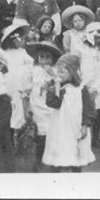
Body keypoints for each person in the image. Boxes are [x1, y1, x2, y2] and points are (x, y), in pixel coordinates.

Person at [43, 53, 96, 172]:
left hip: (75, 126)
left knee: (75, 150)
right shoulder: (59, 87)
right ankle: (56, 171)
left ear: (72, 72)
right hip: (60, 125)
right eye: (58, 72)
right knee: (59, 147)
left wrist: (85, 125)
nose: (59, 75)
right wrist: (54, 88)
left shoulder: (81, 89)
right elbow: (53, 103)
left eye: (62, 72)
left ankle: (75, 172)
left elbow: (88, 109)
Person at [25, 40, 60, 172]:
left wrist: (53, 75)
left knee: (52, 134)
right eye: (41, 57)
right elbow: (27, 88)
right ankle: (38, 161)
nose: (44, 60)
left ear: (53, 58)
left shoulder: (55, 71)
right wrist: (27, 107)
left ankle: (53, 161)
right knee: (40, 135)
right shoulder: (33, 70)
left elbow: (59, 85)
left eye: (48, 57)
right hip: (37, 106)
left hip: (50, 107)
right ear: (37, 58)